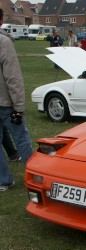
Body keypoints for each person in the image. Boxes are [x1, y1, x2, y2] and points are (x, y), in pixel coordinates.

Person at [0, 8, 34, 191]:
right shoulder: (4, 42)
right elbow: (12, 77)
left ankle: (3, 180)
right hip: (6, 103)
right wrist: (19, 105)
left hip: (4, 100)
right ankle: (34, 175)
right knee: (21, 139)